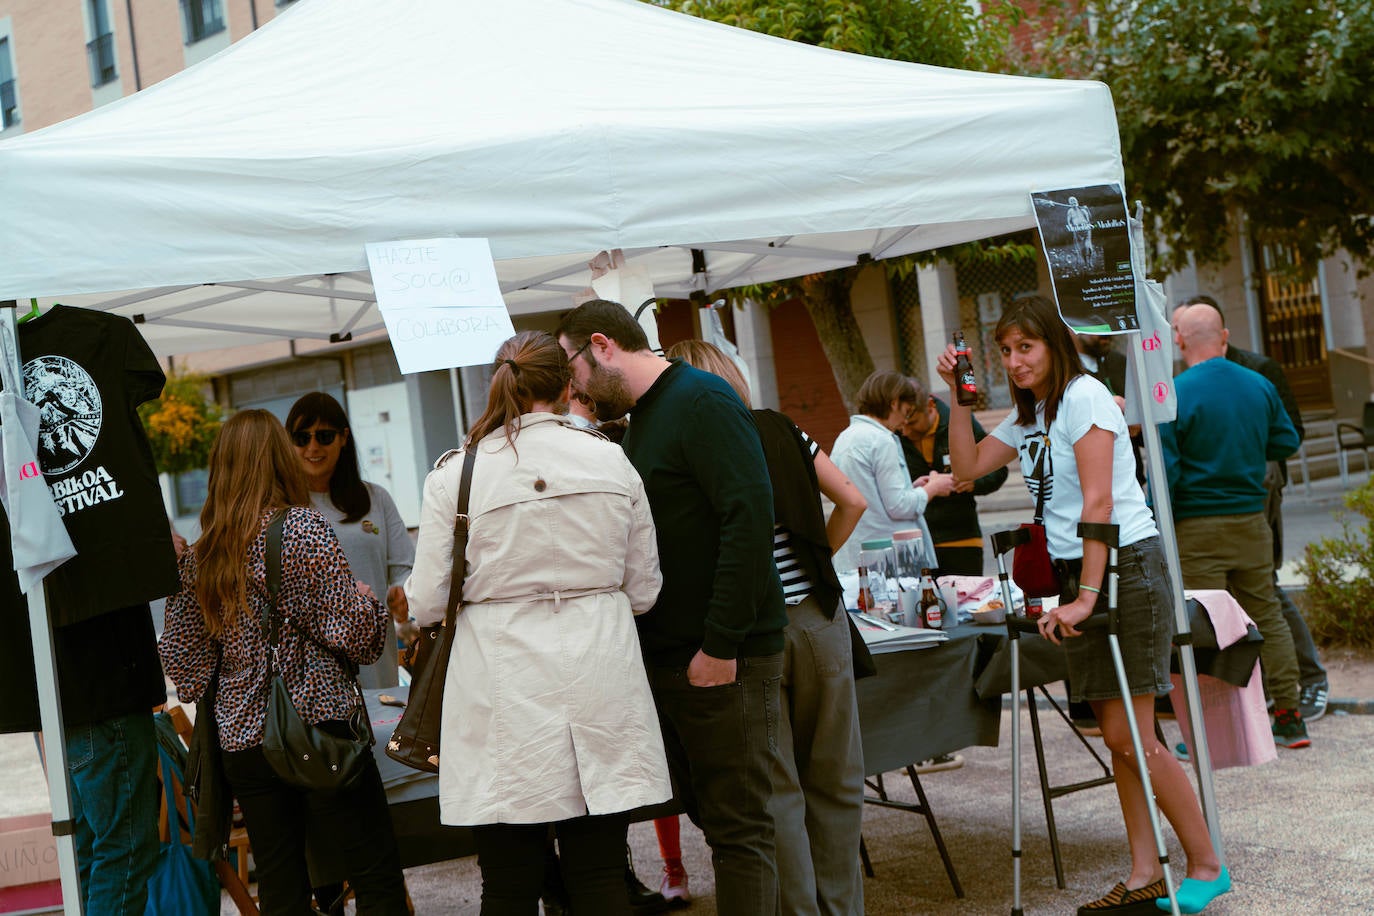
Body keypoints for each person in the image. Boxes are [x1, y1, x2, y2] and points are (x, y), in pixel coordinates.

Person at [941, 295, 1228, 914]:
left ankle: (1207, 862)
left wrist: (1086, 597)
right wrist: (960, 405)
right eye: (1006, 352)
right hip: (1083, 573)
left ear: (1053, 343)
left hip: (1124, 568)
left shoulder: (1085, 396)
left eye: (1027, 347)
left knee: (1134, 734)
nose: (1016, 362)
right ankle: (1145, 868)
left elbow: (1100, 504)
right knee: (1118, 734)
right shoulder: (1033, 415)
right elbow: (965, 471)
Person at [405, 330, 671, 915]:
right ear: (570, 382)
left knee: (509, 883)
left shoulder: (457, 473)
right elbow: (646, 588)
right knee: (600, 870)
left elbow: (426, 604)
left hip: (501, 685)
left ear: (496, 383)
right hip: (601, 670)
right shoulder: (610, 457)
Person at [557, 300, 788, 915]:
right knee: (720, 825)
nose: (571, 385)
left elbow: (749, 519)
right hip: (679, 656)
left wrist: (721, 644)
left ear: (602, 346)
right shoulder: (646, 418)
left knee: (740, 830)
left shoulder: (702, 400)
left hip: (718, 656)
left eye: (571, 366)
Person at [159, 410, 408, 915]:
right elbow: (360, 640)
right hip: (320, 728)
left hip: (245, 745)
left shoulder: (199, 556)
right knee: (373, 870)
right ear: (279, 461)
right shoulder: (301, 530)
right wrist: (364, 600)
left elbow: (185, 672)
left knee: (280, 881)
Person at [668, 339, 869, 916]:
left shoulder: (684, 443)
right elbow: (851, 501)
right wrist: (814, 562)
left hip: (751, 629)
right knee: (837, 779)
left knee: (776, 789)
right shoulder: (781, 428)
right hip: (820, 619)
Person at [1174, 295, 1328, 721]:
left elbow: (1167, 471)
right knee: (1267, 614)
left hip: (1196, 525)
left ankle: (1218, 726)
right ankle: (1289, 715)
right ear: (1223, 337)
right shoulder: (1256, 383)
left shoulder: (1176, 392)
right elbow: (1285, 441)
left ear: (1181, 341)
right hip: (1251, 519)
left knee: (1204, 622)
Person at [285, 392, 416, 691]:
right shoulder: (282, 508)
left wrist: (401, 590)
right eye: (301, 438)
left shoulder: (376, 498)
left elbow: (404, 568)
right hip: (311, 673)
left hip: (375, 663)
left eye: (324, 436)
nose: (313, 447)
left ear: (344, 438)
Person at [829, 371, 956, 573]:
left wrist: (911, 488)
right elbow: (899, 506)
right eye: (906, 412)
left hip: (857, 556)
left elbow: (872, 495)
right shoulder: (881, 439)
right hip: (889, 560)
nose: (905, 421)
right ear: (894, 403)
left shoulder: (846, 437)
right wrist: (932, 489)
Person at [897, 386, 1008, 575]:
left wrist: (973, 482)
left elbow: (998, 470)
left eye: (913, 423)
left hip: (962, 539)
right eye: (902, 425)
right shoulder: (895, 434)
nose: (905, 432)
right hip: (917, 542)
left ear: (930, 406)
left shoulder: (958, 424)